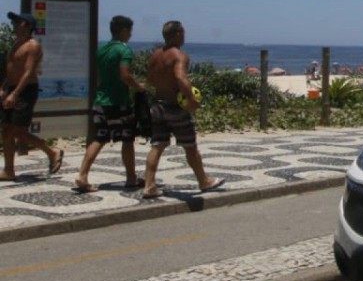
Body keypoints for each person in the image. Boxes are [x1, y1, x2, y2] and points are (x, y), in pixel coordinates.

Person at [140, 21, 224, 199]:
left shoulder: (156, 55)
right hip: (175, 107)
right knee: (190, 147)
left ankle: (149, 185)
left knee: (157, 145)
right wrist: (191, 99)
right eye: (183, 32)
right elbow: (180, 77)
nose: (185, 36)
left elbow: (150, 80)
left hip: (157, 105)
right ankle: (204, 181)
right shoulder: (179, 55)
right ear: (177, 34)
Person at [74, 16, 146, 192]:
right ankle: (131, 178)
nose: (130, 34)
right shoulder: (124, 50)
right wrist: (139, 87)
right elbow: (125, 75)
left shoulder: (102, 49)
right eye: (129, 31)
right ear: (122, 31)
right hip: (118, 102)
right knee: (127, 139)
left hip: (101, 100)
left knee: (99, 138)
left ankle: (82, 174)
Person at [2, 11, 63, 180]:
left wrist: (14, 94)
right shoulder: (15, 44)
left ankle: (52, 152)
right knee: (6, 130)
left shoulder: (33, 45)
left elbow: (28, 72)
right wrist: (4, 88)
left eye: (18, 22)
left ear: (27, 26)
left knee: (18, 131)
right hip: (11, 89)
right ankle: (8, 170)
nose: (14, 24)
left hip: (25, 91)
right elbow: (11, 70)